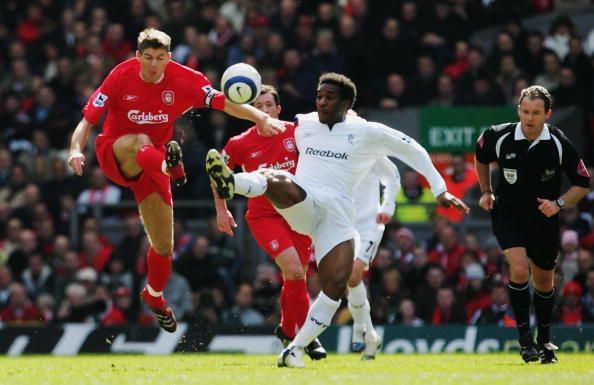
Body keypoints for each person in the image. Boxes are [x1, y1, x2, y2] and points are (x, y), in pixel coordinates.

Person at [206, 72, 469, 368]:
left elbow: (413, 151)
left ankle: (296, 347)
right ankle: (234, 183)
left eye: (329, 97)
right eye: (318, 96)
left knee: (335, 286)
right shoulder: (303, 124)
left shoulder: (367, 132)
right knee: (274, 177)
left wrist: (439, 189)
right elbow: (261, 123)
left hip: (337, 220)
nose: (321, 102)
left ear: (346, 102)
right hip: (303, 204)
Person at [67, 28, 284, 333]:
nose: (153, 65)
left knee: (164, 246)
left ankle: (154, 295)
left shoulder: (186, 79)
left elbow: (222, 102)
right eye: (147, 58)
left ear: (168, 57)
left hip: (153, 163)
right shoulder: (119, 76)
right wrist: (76, 149)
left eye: (159, 58)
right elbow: (87, 121)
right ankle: (172, 165)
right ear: (138, 56)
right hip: (117, 153)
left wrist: (259, 117)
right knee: (139, 139)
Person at [474, 85, 590, 364]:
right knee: (517, 267)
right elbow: (480, 156)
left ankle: (544, 340)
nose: (529, 117)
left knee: (544, 282)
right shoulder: (498, 135)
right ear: (519, 110)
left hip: (543, 218)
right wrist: (486, 191)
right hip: (508, 213)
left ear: (547, 114)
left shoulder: (559, 143)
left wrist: (558, 204)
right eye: (525, 111)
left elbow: (582, 183)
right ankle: (525, 340)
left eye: (536, 112)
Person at [212, 85, 326, 360]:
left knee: (296, 276)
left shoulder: (297, 133)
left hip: (299, 214)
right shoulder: (239, 143)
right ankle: (308, 338)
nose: (263, 110)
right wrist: (221, 210)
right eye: (257, 106)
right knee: (295, 271)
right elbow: (217, 174)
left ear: (278, 109)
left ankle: (287, 328)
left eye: (267, 105)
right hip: (265, 216)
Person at [347, 156, 400, 359]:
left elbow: (393, 176)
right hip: (342, 224)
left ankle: (360, 326)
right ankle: (370, 335)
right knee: (346, 280)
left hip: (369, 225)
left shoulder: (368, 145)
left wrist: (387, 207)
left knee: (353, 276)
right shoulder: (328, 146)